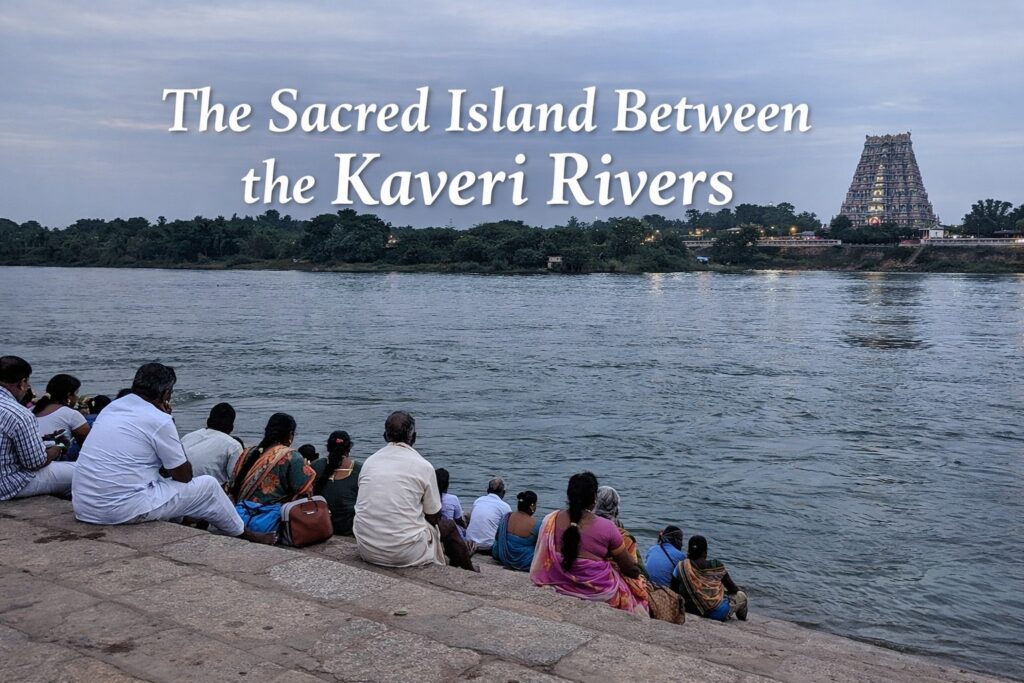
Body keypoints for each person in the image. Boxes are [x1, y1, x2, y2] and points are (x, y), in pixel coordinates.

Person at [71, 363, 243, 536]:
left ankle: (183, 520)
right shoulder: (159, 419)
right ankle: (240, 533)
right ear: (165, 394)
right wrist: (169, 421)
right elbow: (184, 476)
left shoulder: (112, 408)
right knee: (209, 486)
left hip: (84, 505)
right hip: (118, 510)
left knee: (157, 479)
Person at [353, 411, 475, 570]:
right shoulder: (423, 466)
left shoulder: (369, 463)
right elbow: (433, 517)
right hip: (404, 554)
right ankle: (469, 570)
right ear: (414, 438)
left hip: (367, 548)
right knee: (450, 526)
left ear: (385, 436)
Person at [530, 472, 648, 615]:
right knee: (638, 590)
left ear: (569, 496)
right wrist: (638, 575)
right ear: (594, 499)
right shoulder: (608, 527)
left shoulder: (551, 519)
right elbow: (629, 568)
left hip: (556, 581)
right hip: (599, 591)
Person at [0, 356, 75, 500]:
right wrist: (58, 448)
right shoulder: (18, 413)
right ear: (22, 383)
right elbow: (35, 463)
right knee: (80, 472)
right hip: (8, 483)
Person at [231, 413, 315, 507]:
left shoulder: (247, 452)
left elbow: (232, 483)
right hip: (271, 517)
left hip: (239, 512)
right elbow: (305, 492)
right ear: (290, 434)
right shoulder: (291, 456)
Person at [672, 535, 748, 621]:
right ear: (705, 552)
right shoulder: (716, 566)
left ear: (689, 551)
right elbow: (733, 589)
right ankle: (742, 618)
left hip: (690, 609)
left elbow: (673, 589)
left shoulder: (681, 566)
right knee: (740, 595)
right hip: (718, 614)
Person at [180, 403, 244, 485]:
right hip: (207, 492)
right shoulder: (234, 446)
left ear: (208, 421)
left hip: (174, 487)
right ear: (231, 427)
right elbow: (235, 480)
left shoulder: (187, 437)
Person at [311, 430, 360, 536]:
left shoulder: (315, 466)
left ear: (328, 447)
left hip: (320, 526)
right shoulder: (359, 469)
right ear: (349, 447)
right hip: (348, 530)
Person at [593, 485, 646, 576]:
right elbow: (633, 570)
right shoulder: (623, 536)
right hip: (611, 579)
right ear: (616, 507)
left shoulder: (583, 527)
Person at [33, 374, 91, 456]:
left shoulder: (30, 410)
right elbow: (89, 446)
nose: (77, 397)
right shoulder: (71, 414)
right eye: (76, 393)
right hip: (56, 463)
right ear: (69, 395)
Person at [493, 490, 541, 571]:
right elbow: (540, 546)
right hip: (524, 561)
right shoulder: (536, 524)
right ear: (532, 506)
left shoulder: (506, 517)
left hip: (502, 556)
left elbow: (497, 537)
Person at [465, 477, 512, 554]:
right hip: (489, 546)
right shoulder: (505, 507)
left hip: (470, 542)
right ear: (503, 492)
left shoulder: (478, 500)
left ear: (487, 491)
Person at [435, 467, 468, 534]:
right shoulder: (452, 499)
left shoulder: (430, 497)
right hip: (449, 532)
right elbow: (458, 520)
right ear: (447, 484)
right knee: (466, 515)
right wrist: (465, 526)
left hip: (435, 529)